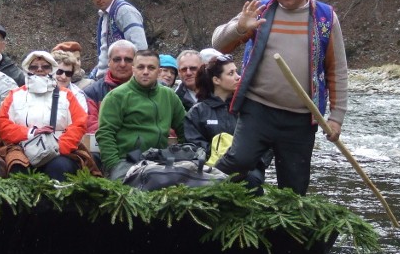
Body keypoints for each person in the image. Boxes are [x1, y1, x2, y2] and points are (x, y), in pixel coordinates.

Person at [211, 0, 348, 195]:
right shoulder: (260, 11)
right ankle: (202, 196)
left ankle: (285, 228)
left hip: (301, 117)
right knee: (238, 162)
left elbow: (336, 70)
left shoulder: (325, 18)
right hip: (258, 109)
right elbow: (219, 43)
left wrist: (336, 117)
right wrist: (241, 27)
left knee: (294, 186)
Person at [0, 51, 90, 181]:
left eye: (45, 66)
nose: (39, 70)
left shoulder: (66, 95)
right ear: (27, 69)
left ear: (52, 69)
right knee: (17, 167)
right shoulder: (14, 95)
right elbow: (3, 124)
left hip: (59, 150)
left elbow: (79, 123)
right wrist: (30, 133)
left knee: (59, 167)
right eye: (34, 67)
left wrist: (61, 146)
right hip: (22, 148)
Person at [183, 53, 269, 192]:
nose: (238, 77)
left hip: (249, 170)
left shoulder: (247, 107)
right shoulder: (197, 112)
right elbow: (195, 146)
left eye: (236, 71)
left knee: (251, 182)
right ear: (216, 80)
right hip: (212, 170)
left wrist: (256, 162)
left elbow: (265, 140)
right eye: (231, 73)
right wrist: (223, 156)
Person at [96, 50, 186, 180]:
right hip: (126, 162)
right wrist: (115, 166)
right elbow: (105, 134)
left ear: (159, 72)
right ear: (133, 69)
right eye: (140, 67)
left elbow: (185, 128)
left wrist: (186, 156)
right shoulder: (116, 96)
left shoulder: (169, 96)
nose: (145, 71)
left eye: (151, 67)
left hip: (161, 161)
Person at [81, 0, 147, 80]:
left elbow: (141, 48)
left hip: (123, 79)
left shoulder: (124, 11)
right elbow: (104, 53)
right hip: (107, 78)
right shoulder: (105, 16)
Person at [84, 39, 137, 133]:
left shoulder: (152, 89)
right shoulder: (92, 92)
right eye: (117, 59)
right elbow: (91, 127)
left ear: (136, 62)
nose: (122, 64)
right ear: (109, 61)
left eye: (128, 60)